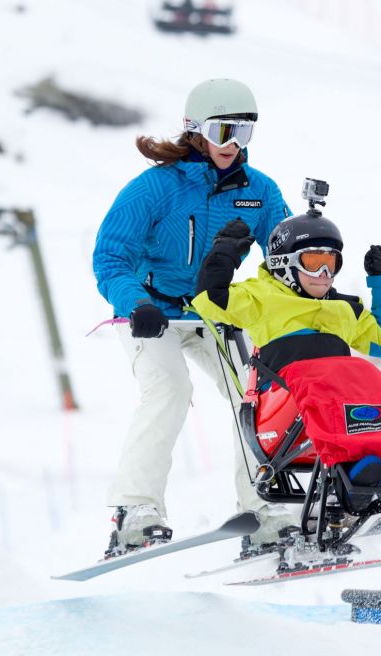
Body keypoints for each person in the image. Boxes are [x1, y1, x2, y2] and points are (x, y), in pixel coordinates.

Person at [92, 78, 294, 556]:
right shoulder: (156, 188)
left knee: (258, 392)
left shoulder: (259, 192)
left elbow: (284, 256)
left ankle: (263, 506)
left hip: (214, 310)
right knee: (170, 389)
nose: (232, 145)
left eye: (244, 134)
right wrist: (133, 303)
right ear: (196, 130)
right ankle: (135, 511)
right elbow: (110, 256)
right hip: (151, 311)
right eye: (224, 131)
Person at [191, 207, 381, 500]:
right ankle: (358, 475)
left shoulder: (343, 308)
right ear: (284, 264)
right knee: (328, 381)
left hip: (330, 409)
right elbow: (208, 300)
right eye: (314, 262)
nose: (325, 274)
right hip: (279, 411)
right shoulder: (262, 298)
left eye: (331, 264)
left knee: (372, 379)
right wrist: (225, 251)